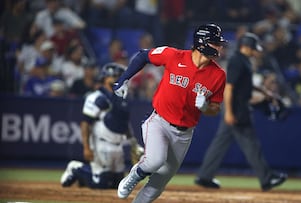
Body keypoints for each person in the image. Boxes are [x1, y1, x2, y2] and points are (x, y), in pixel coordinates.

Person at [113, 23, 227, 202]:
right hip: (160, 121)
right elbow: (144, 55)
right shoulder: (175, 56)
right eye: (214, 43)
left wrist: (206, 107)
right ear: (202, 43)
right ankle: (134, 175)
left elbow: (215, 108)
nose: (219, 47)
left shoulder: (218, 75)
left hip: (184, 133)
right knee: (155, 160)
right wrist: (123, 79)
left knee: (160, 181)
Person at [194, 33, 287, 192]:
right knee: (251, 144)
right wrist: (229, 112)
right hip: (237, 109)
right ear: (246, 46)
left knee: (220, 144)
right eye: (253, 48)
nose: (256, 51)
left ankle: (205, 175)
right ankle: (267, 178)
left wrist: (264, 92)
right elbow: (229, 87)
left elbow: (245, 85)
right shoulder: (238, 61)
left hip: (237, 107)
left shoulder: (243, 61)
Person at [60, 63, 144, 189]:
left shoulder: (122, 99)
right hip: (101, 143)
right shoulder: (97, 97)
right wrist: (87, 147)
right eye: (114, 76)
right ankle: (76, 168)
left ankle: (84, 178)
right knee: (102, 183)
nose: (117, 79)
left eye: (120, 76)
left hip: (117, 145)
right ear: (105, 78)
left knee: (117, 185)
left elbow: (124, 123)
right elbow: (85, 123)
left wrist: (133, 143)